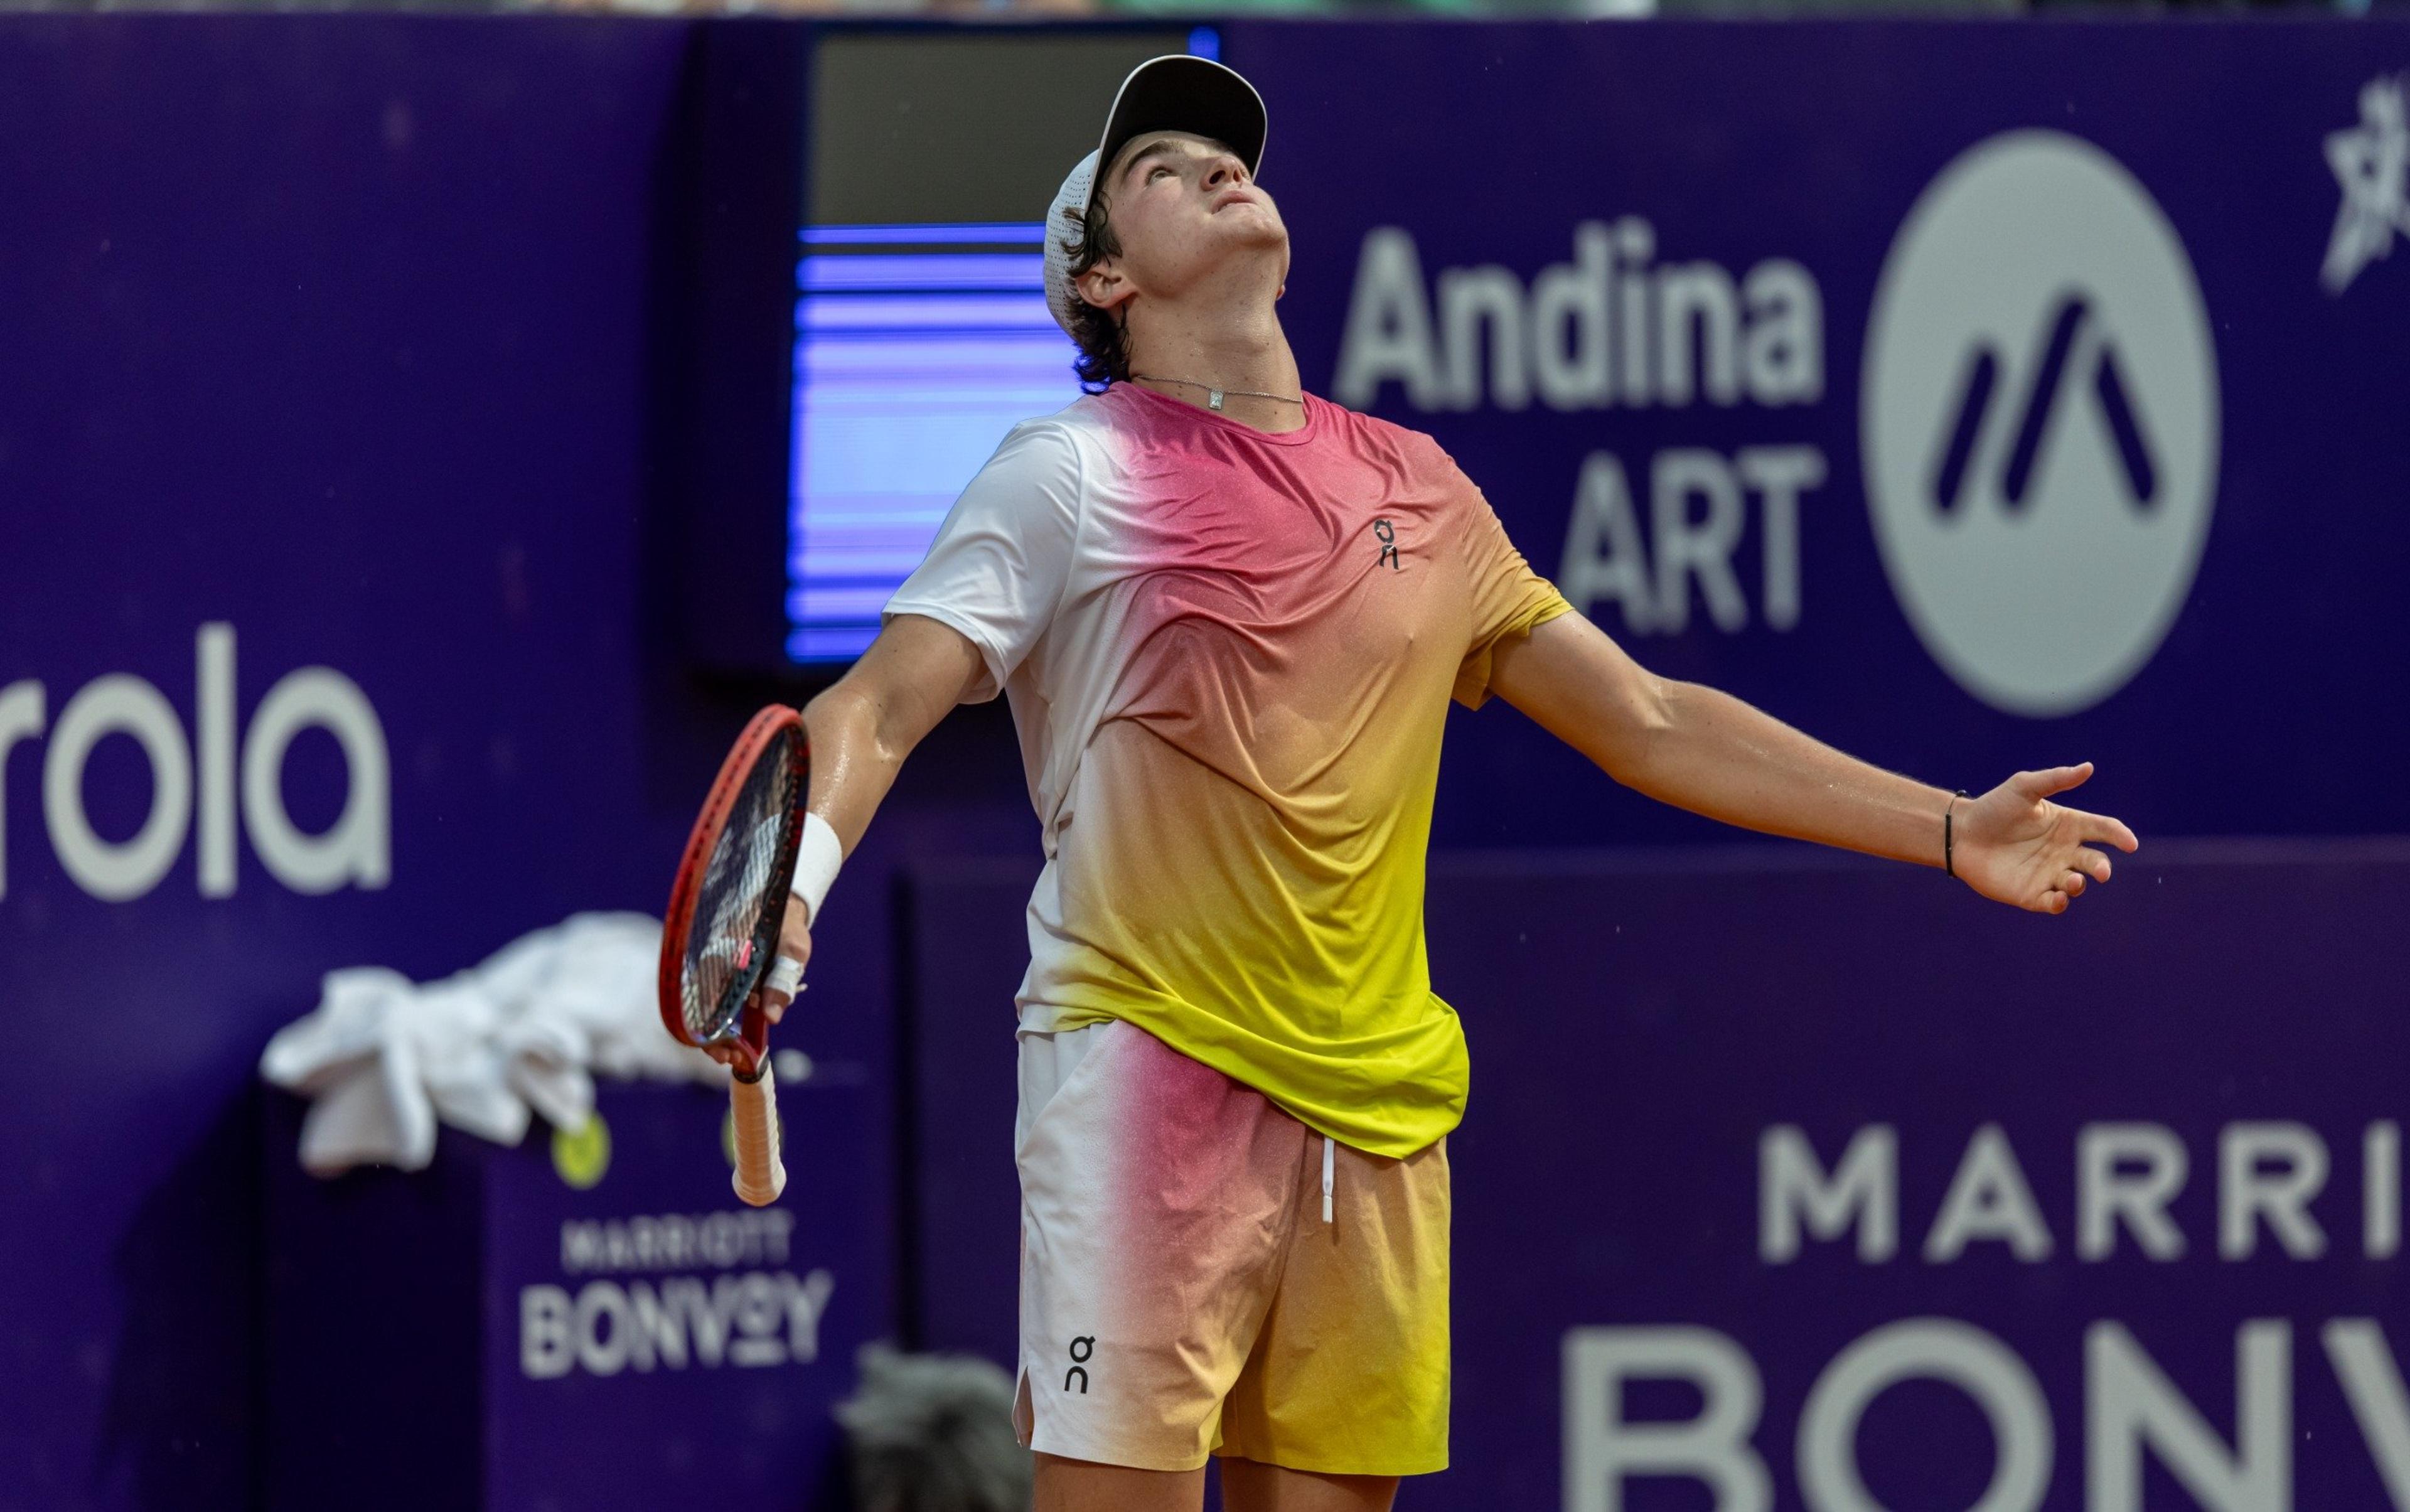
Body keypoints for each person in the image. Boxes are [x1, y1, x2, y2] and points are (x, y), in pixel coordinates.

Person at [727, 55, 2140, 1512]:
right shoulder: (1063, 475)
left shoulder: (1420, 483)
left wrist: (1952, 824)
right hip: (1145, 1072)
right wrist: (793, 888)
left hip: (1383, 1117)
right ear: (1101, 282)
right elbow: (882, 706)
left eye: (1228, 156)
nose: (1220, 169)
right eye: (1161, 168)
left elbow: (1647, 716)